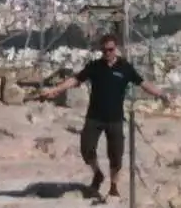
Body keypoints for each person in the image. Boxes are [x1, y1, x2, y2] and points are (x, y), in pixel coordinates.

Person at [39, 34, 169, 198]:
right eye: (104, 50)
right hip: (94, 116)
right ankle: (97, 174)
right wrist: (55, 90)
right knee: (87, 149)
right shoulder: (95, 66)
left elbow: (143, 83)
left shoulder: (125, 67)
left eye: (110, 50)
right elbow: (76, 79)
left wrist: (161, 94)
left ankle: (114, 186)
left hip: (115, 119)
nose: (107, 53)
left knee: (115, 155)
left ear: (116, 49)